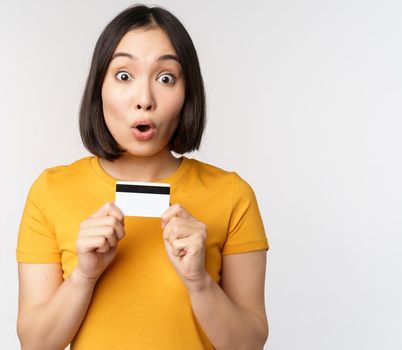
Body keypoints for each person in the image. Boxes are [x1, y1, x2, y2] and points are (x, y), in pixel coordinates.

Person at [15, 5, 269, 349]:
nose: (145, 99)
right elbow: (36, 344)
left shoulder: (231, 194)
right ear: (98, 87)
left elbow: (248, 345)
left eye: (166, 78)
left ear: (187, 93)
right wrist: (84, 276)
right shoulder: (51, 191)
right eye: (124, 75)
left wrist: (199, 281)